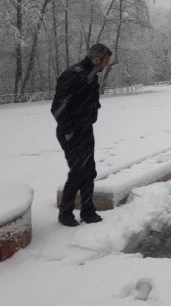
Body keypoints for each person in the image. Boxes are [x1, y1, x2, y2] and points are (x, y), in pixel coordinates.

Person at [51, 43, 112, 227]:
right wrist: (68, 130)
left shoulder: (91, 76)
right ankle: (65, 213)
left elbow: (89, 102)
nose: (106, 65)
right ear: (97, 59)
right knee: (78, 171)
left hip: (85, 129)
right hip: (71, 132)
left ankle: (87, 211)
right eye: (106, 61)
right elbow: (57, 107)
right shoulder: (73, 74)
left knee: (89, 170)